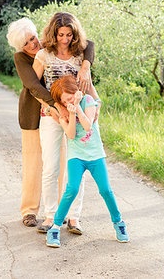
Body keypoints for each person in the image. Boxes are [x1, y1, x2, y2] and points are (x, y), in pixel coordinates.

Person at [6, 17, 94, 227]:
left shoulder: (50, 42)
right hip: (36, 112)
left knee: (62, 163)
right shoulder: (22, 58)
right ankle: (29, 211)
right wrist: (56, 108)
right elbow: (33, 86)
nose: (32, 44)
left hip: (61, 110)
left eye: (33, 38)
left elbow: (88, 44)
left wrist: (86, 65)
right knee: (35, 164)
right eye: (27, 43)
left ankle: (61, 211)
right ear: (21, 47)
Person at [33, 12, 100, 234]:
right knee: (51, 167)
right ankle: (51, 215)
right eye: (61, 34)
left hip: (78, 114)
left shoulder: (81, 57)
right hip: (52, 115)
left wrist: (96, 104)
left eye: (69, 35)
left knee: (77, 169)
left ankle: (74, 217)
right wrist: (53, 107)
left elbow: (87, 85)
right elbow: (34, 87)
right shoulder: (43, 55)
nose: (65, 39)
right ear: (54, 33)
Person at [46, 75, 129, 247]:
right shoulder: (63, 112)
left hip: (95, 154)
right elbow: (70, 135)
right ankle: (55, 228)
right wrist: (69, 111)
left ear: (76, 91)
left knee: (106, 190)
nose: (69, 100)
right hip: (76, 155)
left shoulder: (88, 100)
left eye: (71, 96)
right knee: (72, 189)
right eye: (65, 100)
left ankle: (119, 223)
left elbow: (87, 125)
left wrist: (77, 107)